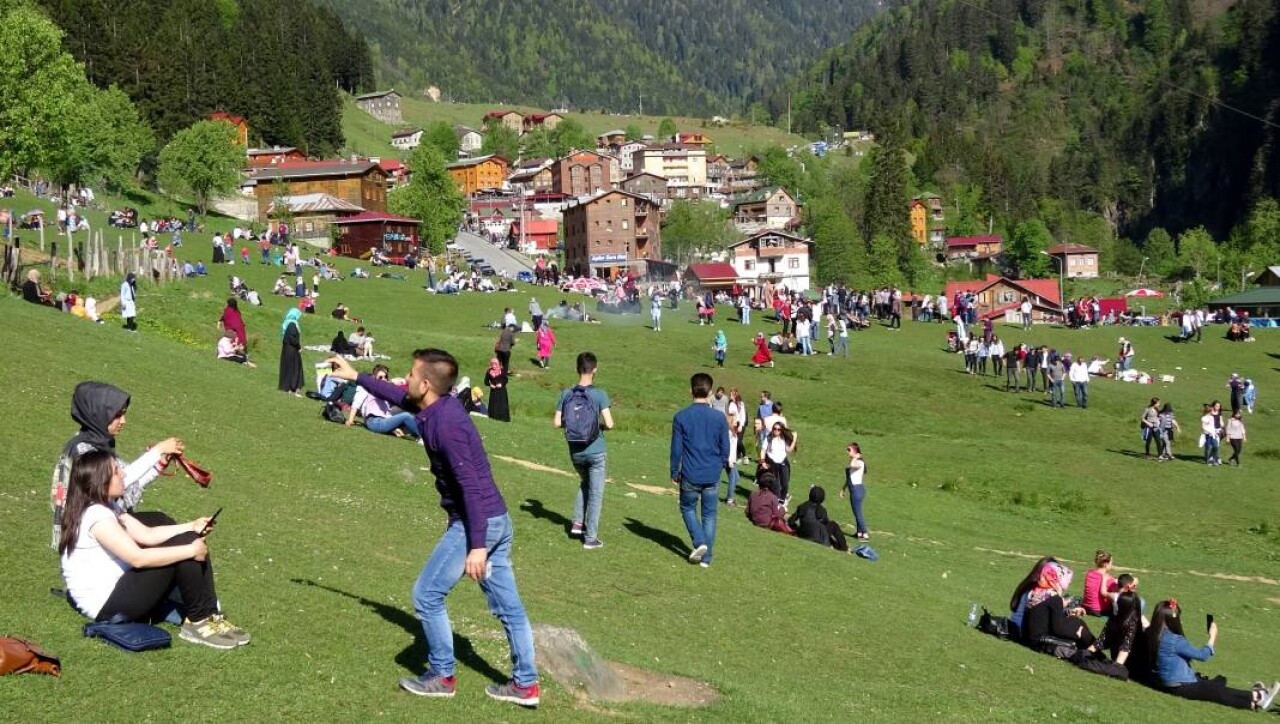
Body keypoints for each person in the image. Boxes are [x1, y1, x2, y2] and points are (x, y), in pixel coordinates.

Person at [325, 351, 540, 706]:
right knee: (510, 608)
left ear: (426, 384)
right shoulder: (439, 406)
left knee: (426, 595)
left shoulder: (446, 425)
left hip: (477, 524)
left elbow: (469, 487)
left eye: (410, 375)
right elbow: (400, 397)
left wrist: (477, 546)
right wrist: (356, 376)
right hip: (497, 518)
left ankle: (442, 675)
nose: (404, 380)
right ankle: (526, 685)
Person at [58, 450, 249, 648]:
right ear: (101, 480)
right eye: (116, 471)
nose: (123, 474)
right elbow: (138, 558)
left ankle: (210, 616)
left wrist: (191, 526)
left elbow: (147, 535)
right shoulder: (95, 515)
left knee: (189, 538)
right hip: (108, 608)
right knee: (186, 546)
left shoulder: (107, 506)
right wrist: (190, 551)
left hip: (120, 593)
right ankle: (199, 622)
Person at [50, 381, 186, 550]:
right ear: (98, 414)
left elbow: (123, 484)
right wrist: (157, 452)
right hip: (89, 539)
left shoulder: (99, 443)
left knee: (164, 525)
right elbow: (114, 482)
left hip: (108, 526)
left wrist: (157, 467)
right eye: (117, 415)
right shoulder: (83, 451)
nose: (123, 421)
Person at [1148, 600, 1278, 710]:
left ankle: (1250, 703)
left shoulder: (1152, 633)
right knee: (1218, 691)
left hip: (1166, 682)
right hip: (1181, 685)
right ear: (1173, 620)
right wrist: (1212, 637)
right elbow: (1202, 655)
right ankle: (1259, 697)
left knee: (1216, 686)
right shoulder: (1174, 640)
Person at [553, 352, 614, 550]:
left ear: (577, 368)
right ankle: (590, 538)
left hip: (575, 451)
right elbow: (610, 424)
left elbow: (556, 422)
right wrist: (598, 427)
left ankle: (578, 523)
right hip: (596, 450)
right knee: (596, 493)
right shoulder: (599, 394)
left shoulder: (566, 393)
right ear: (595, 369)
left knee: (584, 482)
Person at [670, 373, 730, 568]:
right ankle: (706, 558)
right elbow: (725, 448)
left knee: (687, 508)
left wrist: (674, 470)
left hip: (690, 472)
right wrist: (719, 465)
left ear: (690, 391)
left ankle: (700, 542)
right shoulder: (719, 418)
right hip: (712, 473)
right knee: (709, 514)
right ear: (710, 393)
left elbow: (676, 448)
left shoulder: (681, 417)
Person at [1022, 561, 1095, 651]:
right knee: (1080, 628)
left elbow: (1045, 615)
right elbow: (1057, 629)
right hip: (1040, 641)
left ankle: (1095, 649)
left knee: (1076, 621)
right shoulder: (1054, 598)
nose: (1069, 582)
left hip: (1030, 636)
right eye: (1068, 579)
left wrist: (1069, 612)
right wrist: (1077, 634)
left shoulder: (1037, 591)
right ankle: (1096, 651)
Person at [346, 365, 420, 438]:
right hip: (374, 421)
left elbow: (386, 413)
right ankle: (423, 437)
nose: (383, 379)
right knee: (406, 416)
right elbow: (357, 402)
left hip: (382, 421)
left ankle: (410, 433)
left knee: (412, 418)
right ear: (374, 379)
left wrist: (393, 428)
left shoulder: (384, 394)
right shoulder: (370, 388)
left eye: (385, 377)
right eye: (380, 377)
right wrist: (350, 420)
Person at [787, 486, 848, 552]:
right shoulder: (822, 510)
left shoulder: (802, 506)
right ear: (822, 498)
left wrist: (798, 529)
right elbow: (826, 523)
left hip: (803, 535)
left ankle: (837, 545)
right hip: (820, 538)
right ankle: (844, 547)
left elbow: (790, 521)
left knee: (821, 529)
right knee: (833, 525)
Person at [836, 441, 869, 540]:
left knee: (858, 512)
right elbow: (849, 478)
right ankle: (859, 533)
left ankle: (865, 533)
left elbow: (853, 466)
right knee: (856, 511)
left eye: (849, 450)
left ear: (855, 451)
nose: (847, 451)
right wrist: (843, 489)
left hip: (857, 489)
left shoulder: (859, 462)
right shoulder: (855, 461)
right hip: (853, 489)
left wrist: (855, 457)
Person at [760, 421, 797, 504]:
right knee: (775, 484)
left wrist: (794, 440)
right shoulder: (768, 438)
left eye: (779, 429)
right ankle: (775, 501)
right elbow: (763, 450)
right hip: (772, 463)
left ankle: (782, 500)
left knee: (785, 483)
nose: (776, 430)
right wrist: (763, 462)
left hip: (783, 462)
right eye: (774, 428)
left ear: (781, 430)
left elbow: (788, 450)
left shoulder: (784, 438)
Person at [1081, 550, 1118, 617]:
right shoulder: (1109, 580)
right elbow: (1116, 595)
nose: (1112, 565)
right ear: (1106, 564)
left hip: (1086, 607)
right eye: (1111, 563)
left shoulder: (1089, 573)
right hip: (1099, 610)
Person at [278, 308, 303, 396]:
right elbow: (293, 338)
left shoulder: (287, 322)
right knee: (294, 368)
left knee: (288, 367)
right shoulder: (292, 324)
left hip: (287, 349)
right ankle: (292, 386)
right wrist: (299, 346)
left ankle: (287, 386)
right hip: (292, 349)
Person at [485, 357, 510, 423]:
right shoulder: (489, 371)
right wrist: (490, 385)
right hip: (494, 391)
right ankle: (493, 417)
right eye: (492, 364)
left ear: (498, 364)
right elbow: (486, 381)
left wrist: (501, 384)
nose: (493, 366)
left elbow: (506, 379)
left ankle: (503, 419)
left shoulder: (502, 370)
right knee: (494, 404)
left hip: (502, 391)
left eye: (495, 364)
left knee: (502, 404)